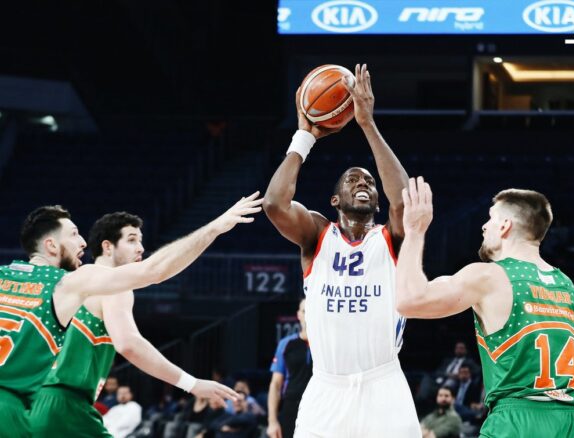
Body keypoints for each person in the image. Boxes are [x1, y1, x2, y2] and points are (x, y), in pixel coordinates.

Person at [0, 194, 262, 438]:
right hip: (57, 405)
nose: (82, 242)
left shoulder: (8, 276)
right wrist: (214, 228)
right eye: (132, 240)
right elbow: (132, 334)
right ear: (51, 245)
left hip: (31, 405)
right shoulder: (78, 283)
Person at [263, 64, 419, 437]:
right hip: (326, 387)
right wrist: (304, 137)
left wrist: (367, 124)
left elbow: (403, 201)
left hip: (384, 383)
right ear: (335, 200)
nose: (363, 183)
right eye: (353, 179)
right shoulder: (318, 234)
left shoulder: (392, 238)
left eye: (369, 181)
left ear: (377, 200)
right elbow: (274, 204)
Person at [395, 179, 574, 438]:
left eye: (490, 218)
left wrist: (415, 232)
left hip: (520, 421)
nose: (484, 226)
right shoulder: (565, 283)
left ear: (505, 226)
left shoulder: (489, 276)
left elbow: (409, 301)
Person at [267, 299, 312, 438]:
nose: (308, 315)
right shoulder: (286, 344)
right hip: (291, 407)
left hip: (319, 407)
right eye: (304, 311)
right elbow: (275, 384)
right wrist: (272, 421)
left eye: (311, 311)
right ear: (299, 314)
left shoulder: (327, 344)